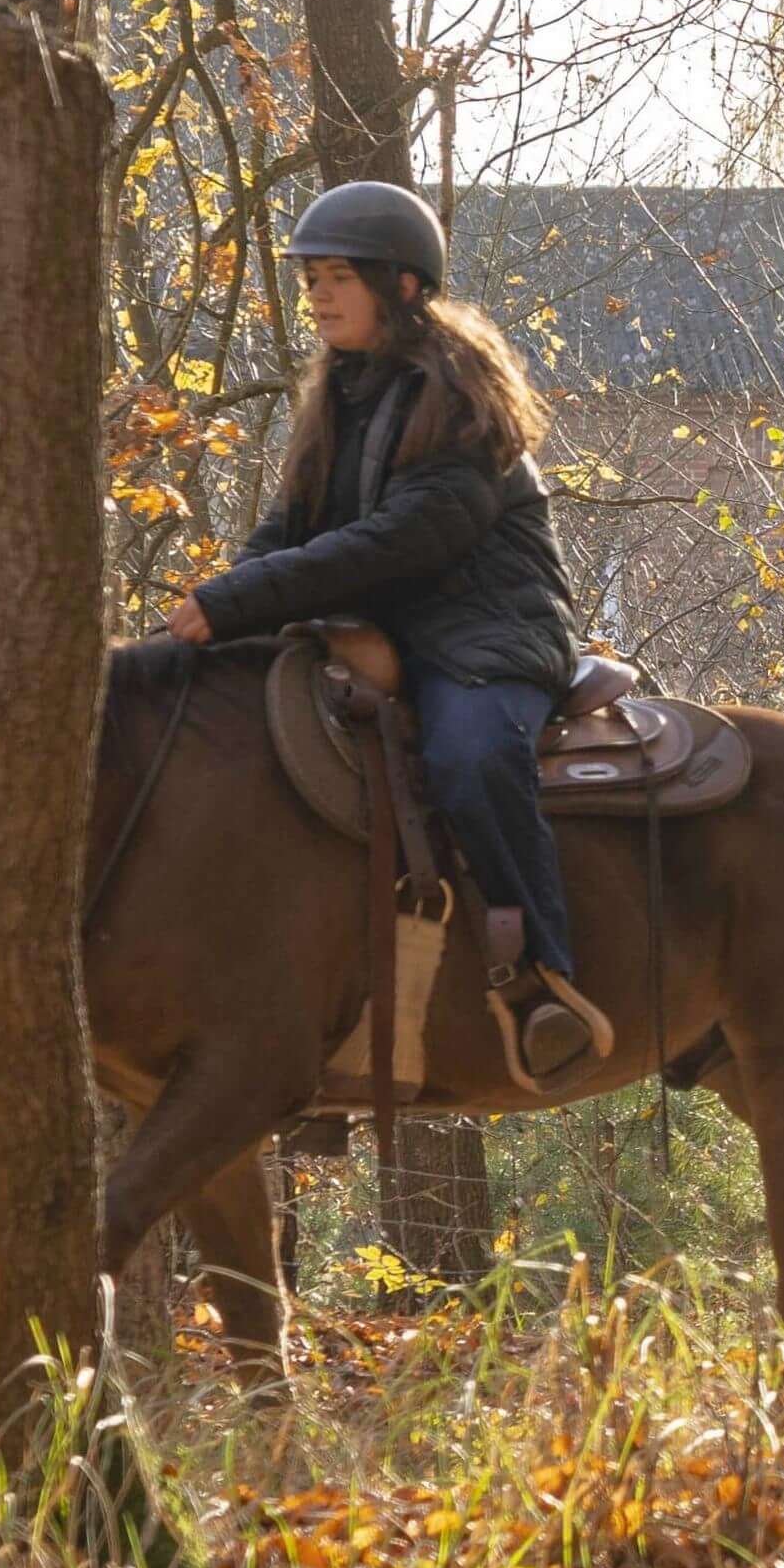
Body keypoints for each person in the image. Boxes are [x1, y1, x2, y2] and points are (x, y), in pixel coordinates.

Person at [165, 180, 604, 1085]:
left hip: (485, 641)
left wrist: (244, 600)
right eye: (312, 279)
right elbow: (290, 528)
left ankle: (547, 981)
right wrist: (222, 606)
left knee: (471, 759)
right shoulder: (339, 393)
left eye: (338, 278)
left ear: (402, 288)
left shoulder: (459, 399)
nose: (318, 296)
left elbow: (405, 539)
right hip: (383, 634)